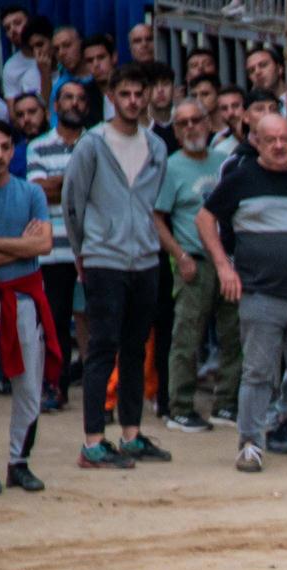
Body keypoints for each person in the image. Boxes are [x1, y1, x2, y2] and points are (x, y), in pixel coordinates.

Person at [197, 113, 287, 474]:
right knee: (258, 373)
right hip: (261, 295)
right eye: (270, 139)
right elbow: (204, 219)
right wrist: (224, 266)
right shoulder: (239, 179)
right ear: (255, 141)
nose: (279, 145)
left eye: (285, 138)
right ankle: (250, 443)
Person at [63, 64, 168, 470]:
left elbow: (154, 204)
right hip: (103, 256)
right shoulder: (92, 144)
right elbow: (73, 201)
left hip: (144, 258)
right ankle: (93, 441)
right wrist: (82, 252)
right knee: (103, 347)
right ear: (111, 97)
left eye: (138, 94)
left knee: (135, 346)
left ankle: (130, 434)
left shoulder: (156, 147)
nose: (133, 101)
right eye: (124, 94)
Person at [155, 96, 238, 434]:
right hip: (195, 262)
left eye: (197, 120)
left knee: (235, 335)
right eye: (183, 123)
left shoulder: (224, 162)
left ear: (209, 121)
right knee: (187, 337)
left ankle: (227, 403)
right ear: (175, 130)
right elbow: (156, 217)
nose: (191, 127)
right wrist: (180, 256)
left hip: (229, 262)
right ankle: (180, 407)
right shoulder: (171, 166)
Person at [0, 116, 53, 494]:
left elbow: (43, 245)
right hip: (10, 289)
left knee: (29, 385)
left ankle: (19, 461)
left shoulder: (31, 193)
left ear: (13, 151)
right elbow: (30, 245)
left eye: (3, 147)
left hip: (23, 296)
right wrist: (19, 243)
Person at [24, 76, 81, 415]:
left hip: (89, 248)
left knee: (94, 321)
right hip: (53, 249)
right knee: (55, 321)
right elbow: (39, 192)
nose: (74, 103)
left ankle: (100, 390)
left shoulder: (96, 142)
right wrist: (75, 181)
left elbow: (95, 193)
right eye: (67, 98)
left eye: (79, 98)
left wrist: (60, 183)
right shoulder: (38, 145)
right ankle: (55, 387)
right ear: (55, 106)